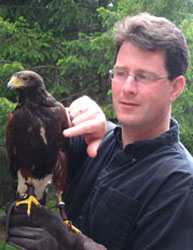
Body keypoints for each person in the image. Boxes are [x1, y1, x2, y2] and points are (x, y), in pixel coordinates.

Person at [1, 12, 193, 250]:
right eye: (121, 73)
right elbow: (38, 137)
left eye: (144, 77)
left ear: (175, 88)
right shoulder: (94, 142)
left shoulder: (181, 185)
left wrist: (75, 246)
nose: (127, 88)